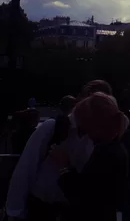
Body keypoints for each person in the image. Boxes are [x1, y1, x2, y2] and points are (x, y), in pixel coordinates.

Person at [5, 79, 113, 221]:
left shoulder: (97, 139)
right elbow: (26, 169)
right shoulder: (52, 127)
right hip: (40, 209)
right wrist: (15, 211)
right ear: (81, 101)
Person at [52, 92, 129, 221]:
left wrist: (64, 166)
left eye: (83, 125)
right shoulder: (114, 148)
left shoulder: (106, 153)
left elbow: (83, 197)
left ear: (94, 123)